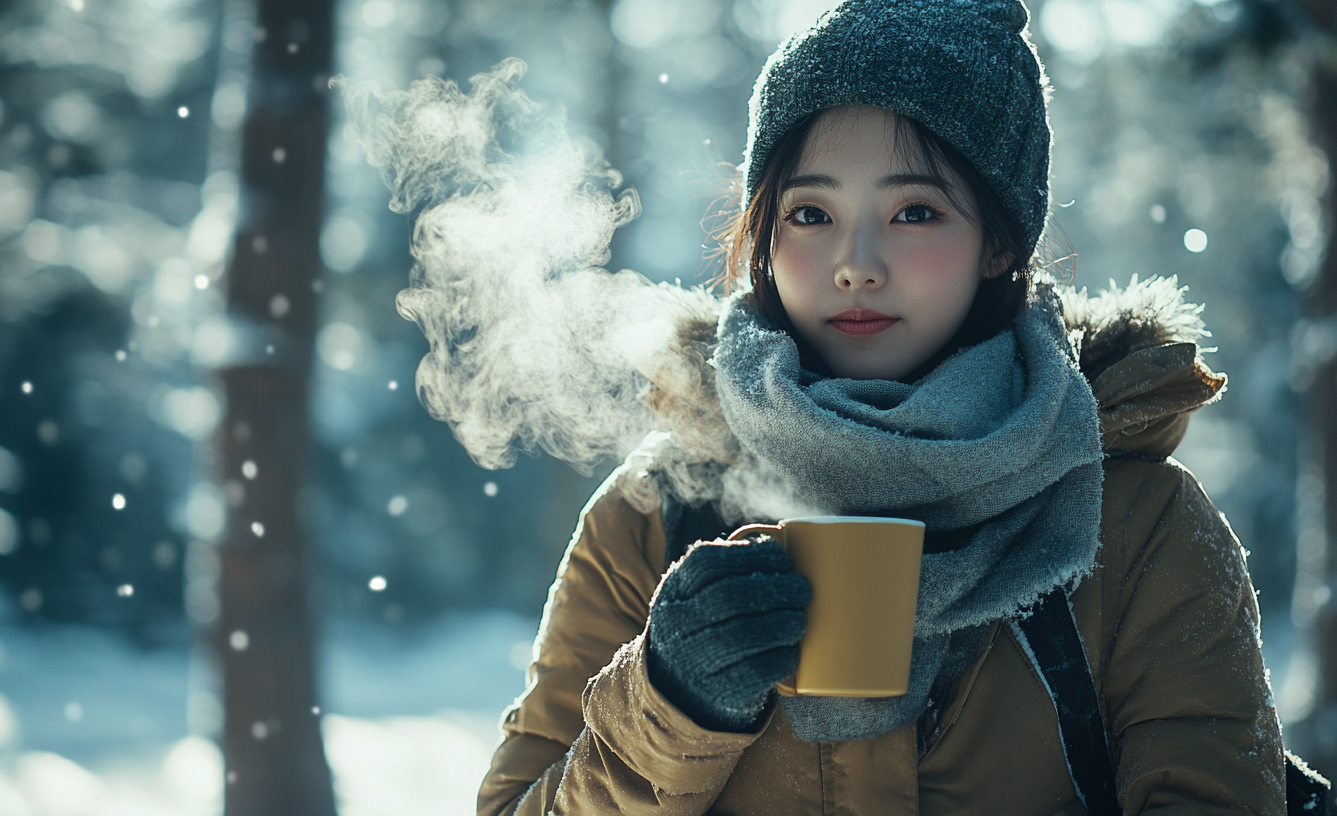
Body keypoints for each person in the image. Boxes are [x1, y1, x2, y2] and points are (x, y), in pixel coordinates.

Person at [476, 1, 1293, 812]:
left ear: (1000, 241)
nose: (855, 264)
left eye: (914, 213)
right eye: (810, 214)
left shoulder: (1138, 523)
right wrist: (668, 705)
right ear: (762, 237)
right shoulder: (653, 517)